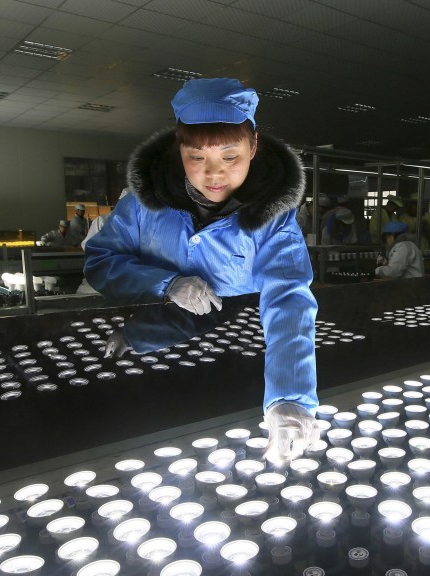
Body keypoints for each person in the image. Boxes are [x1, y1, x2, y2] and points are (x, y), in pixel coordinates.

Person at [84, 77, 319, 466]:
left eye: (230, 157)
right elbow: (101, 262)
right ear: (179, 148)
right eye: (197, 158)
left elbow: (289, 299)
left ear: (254, 146)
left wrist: (290, 397)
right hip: (152, 346)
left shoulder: (273, 219)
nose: (215, 175)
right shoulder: (143, 206)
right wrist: (166, 283)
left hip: (237, 358)